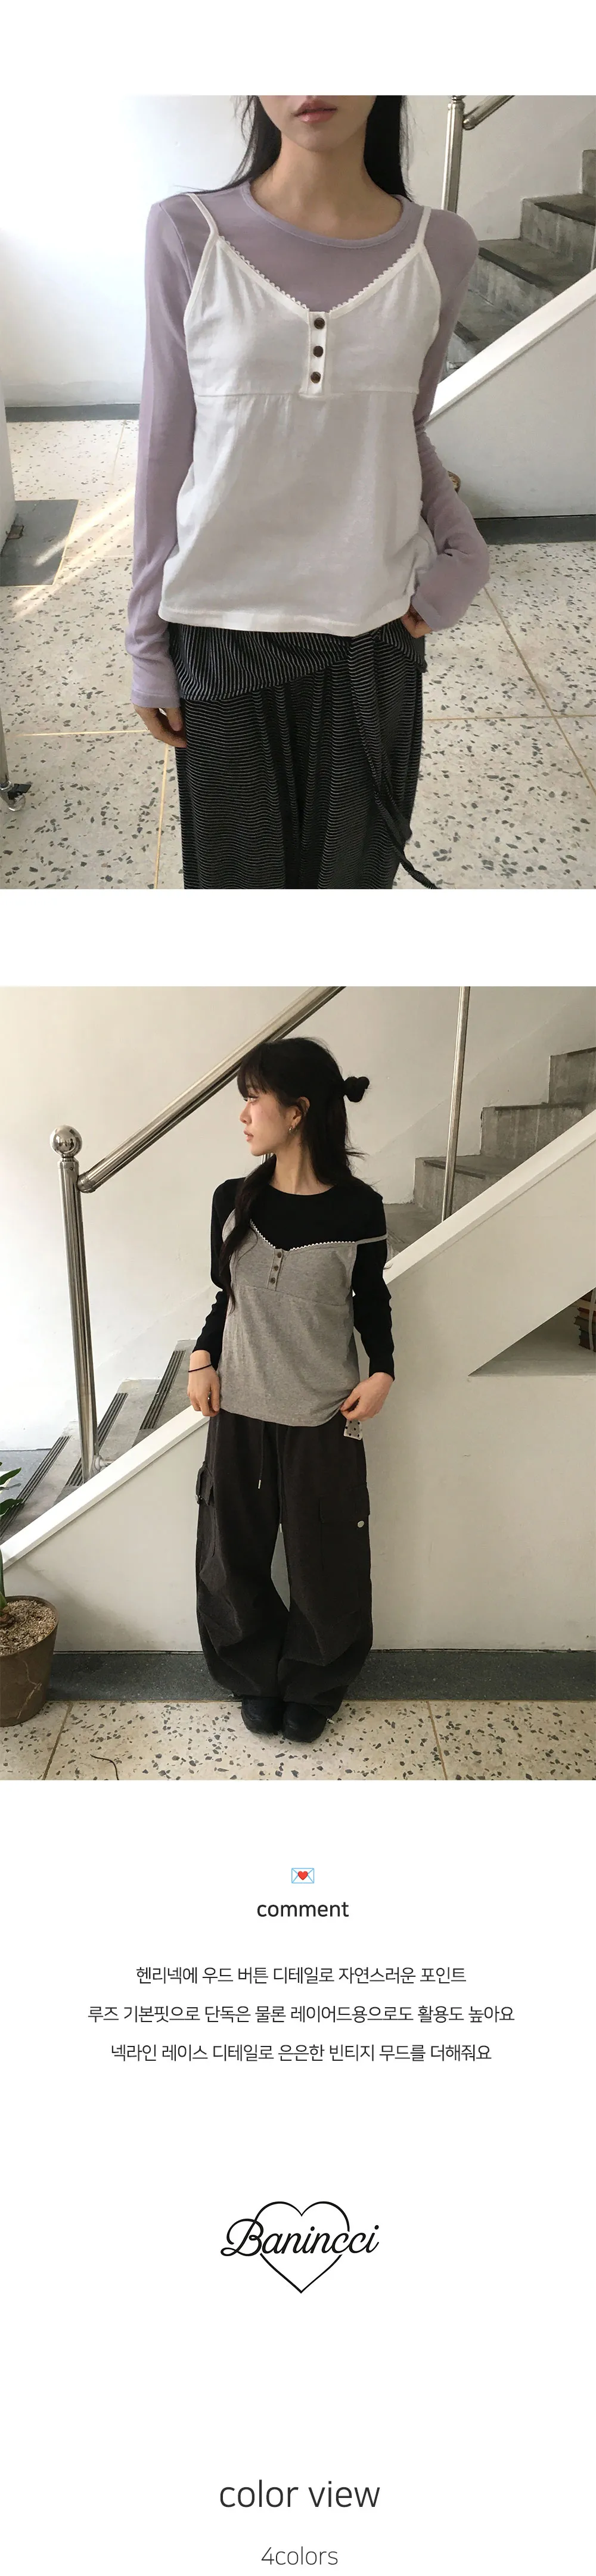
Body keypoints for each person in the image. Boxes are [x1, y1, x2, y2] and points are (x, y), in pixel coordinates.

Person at [128, 94, 489, 888]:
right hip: (220, 624)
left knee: (353, 881)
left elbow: (404, 425)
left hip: (374, 626)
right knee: (239, 887)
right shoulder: (186, 231)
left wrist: (466, 554)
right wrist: (145, 641)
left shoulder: (442, 246)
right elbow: (163, 447)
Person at [187, 1036, 394, 1740]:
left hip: (323, 1414)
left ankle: (317, 1678)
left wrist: (383, 1369)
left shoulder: (360, 1209)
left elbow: (372, 1302)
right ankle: (254, 1673)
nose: (244, 1114)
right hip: (239, 1409)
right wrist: (202, 1357)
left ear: (298, 1110)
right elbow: (228, 1298)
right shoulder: (231, 1199)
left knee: (327, 1561)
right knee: (231, 1556)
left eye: (254, 1098)